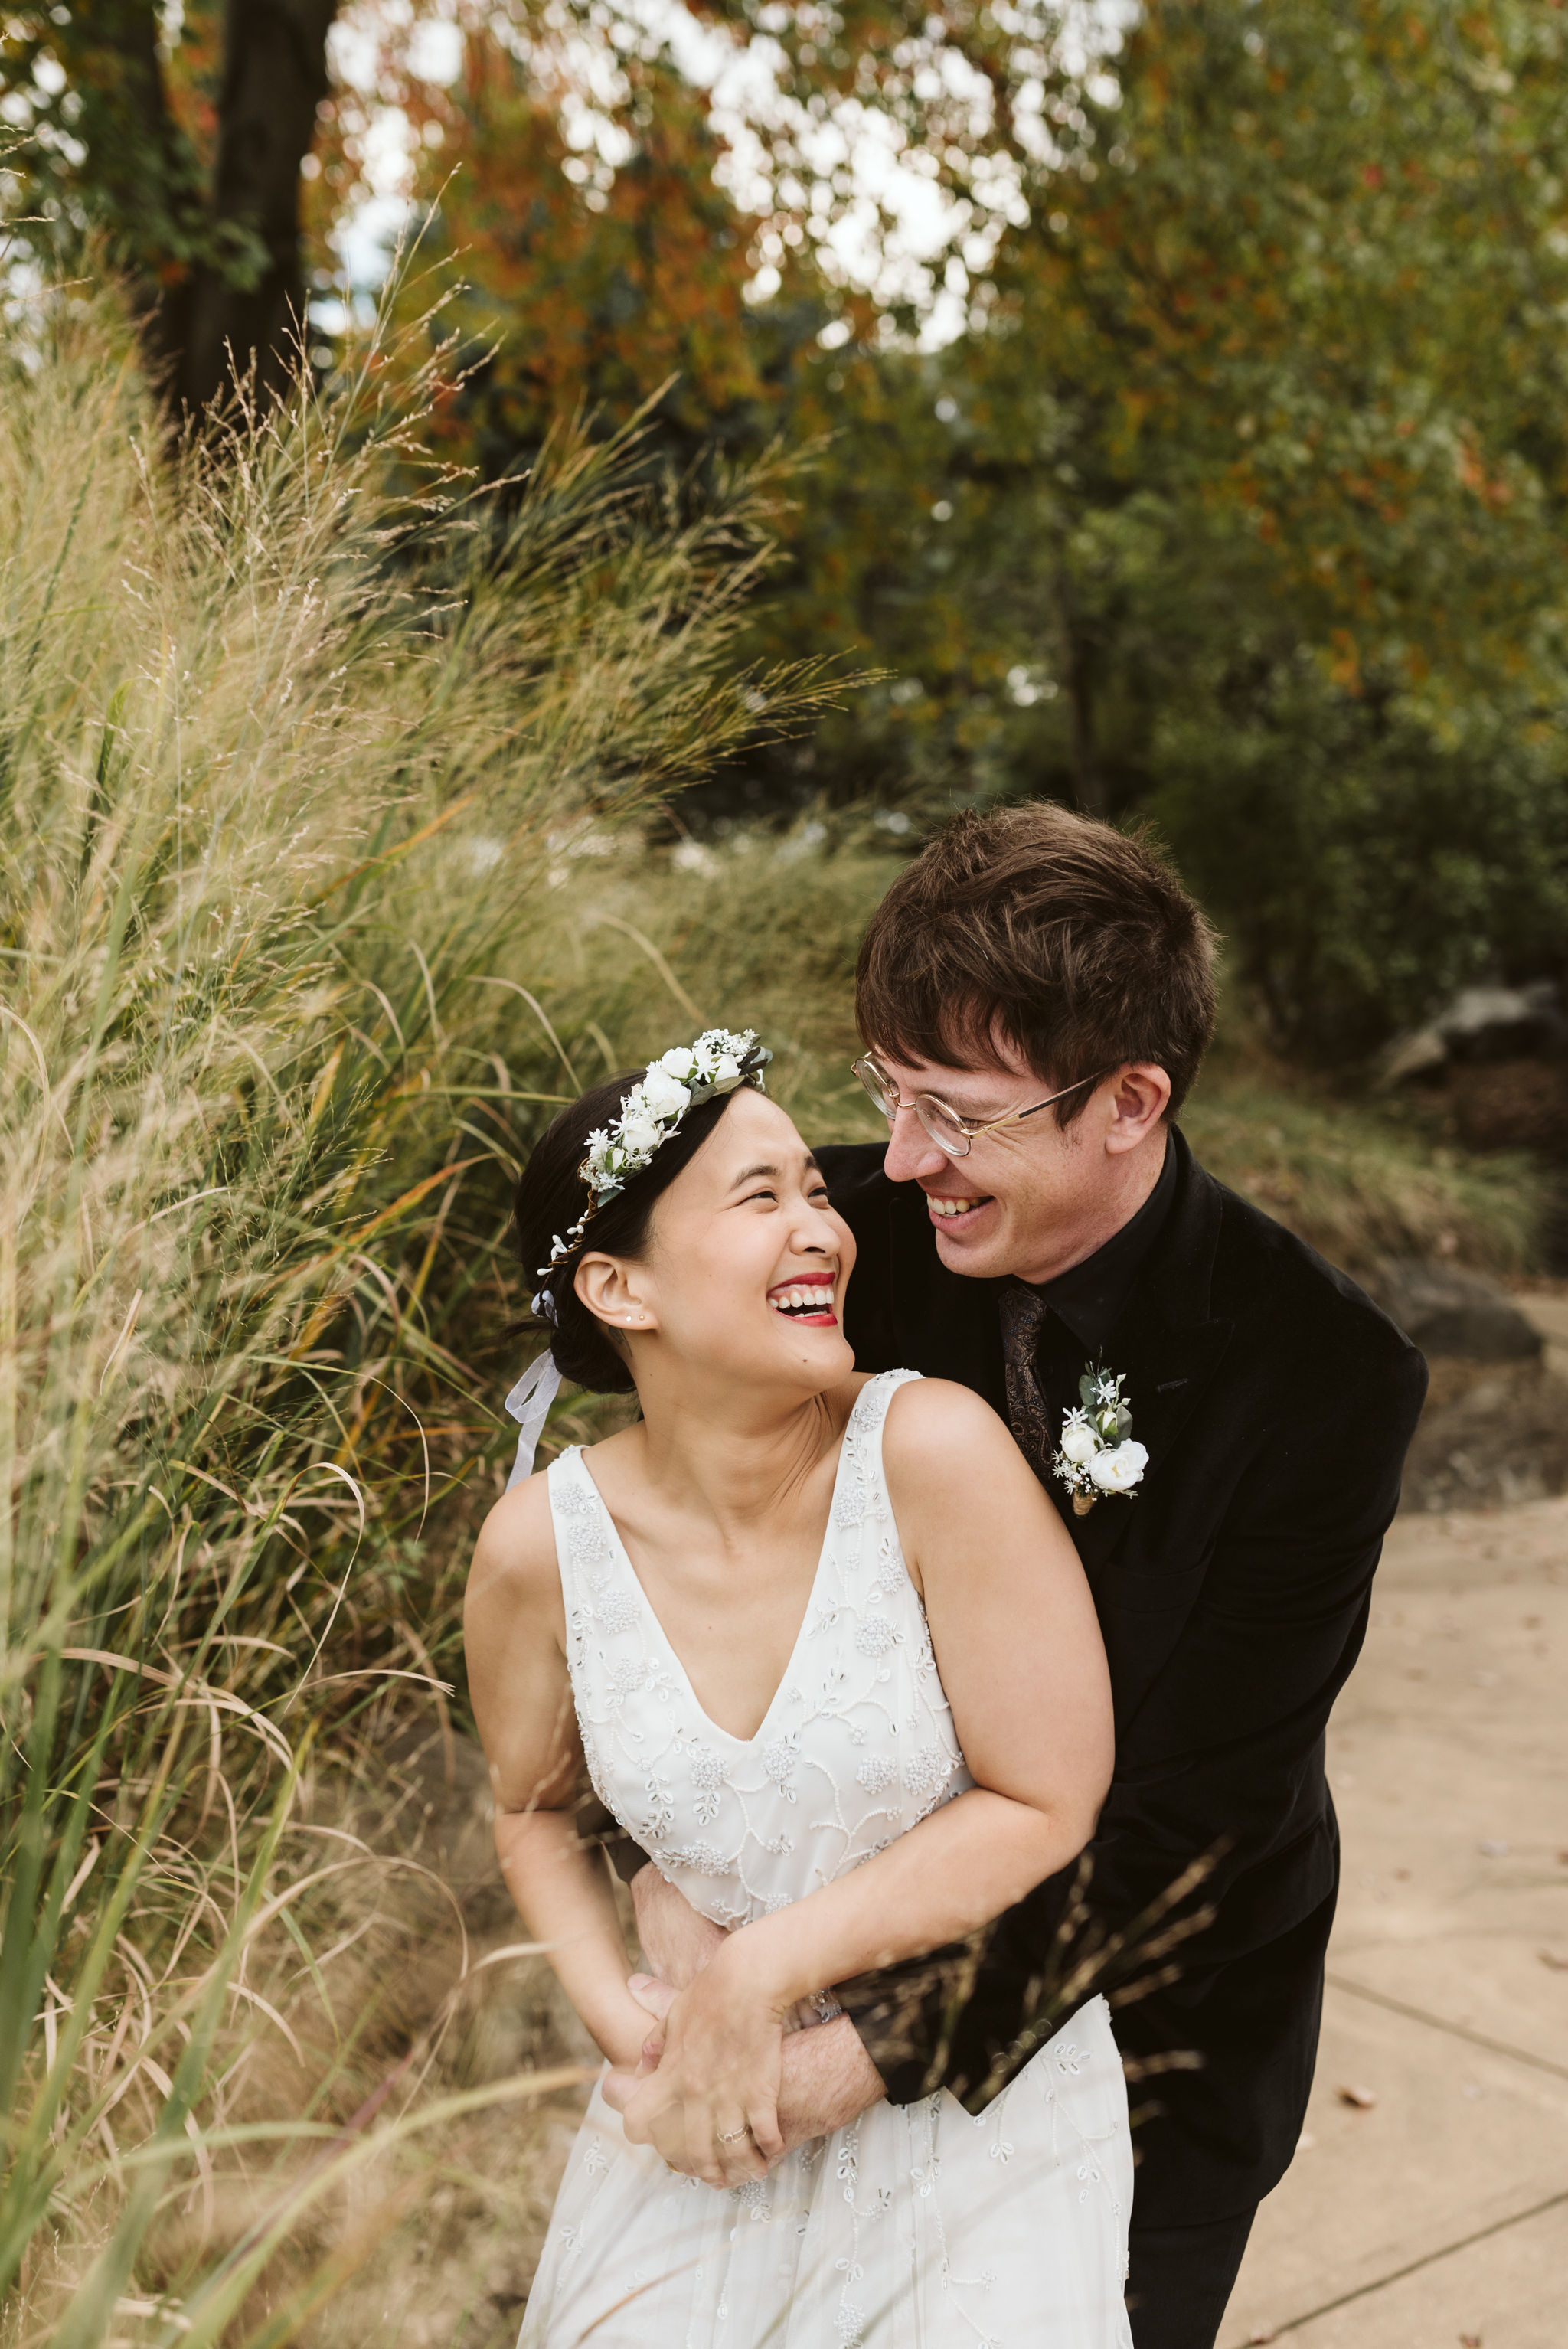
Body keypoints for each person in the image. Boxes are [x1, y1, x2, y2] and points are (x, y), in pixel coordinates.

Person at [617, 809, 1429, 2349]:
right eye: (886, 1092)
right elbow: (652, 1560)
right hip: (799, 1953)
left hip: (1149, 2050)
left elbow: (1189, 1821)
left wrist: (846, 2059)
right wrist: (674, 1891)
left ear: (1130, 1101)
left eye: (960, 1113)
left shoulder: (1323, 1379)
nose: (905, 1155)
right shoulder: (835, 1240)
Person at [466, 1027, 1135, 2347]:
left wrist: (752, 1978)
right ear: (620, 1287)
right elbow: (530, 1811)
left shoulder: (931, 1451)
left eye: (816, 1191)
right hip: (699, 2116)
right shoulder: (541, 1547)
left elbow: (1048, 1797)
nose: (822, 1228)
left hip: (966, 2115)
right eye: (760, 1197)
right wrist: (638, 2034)